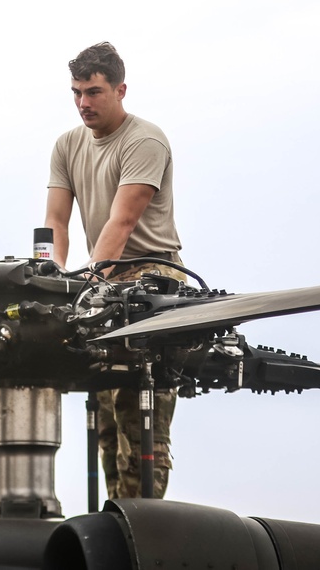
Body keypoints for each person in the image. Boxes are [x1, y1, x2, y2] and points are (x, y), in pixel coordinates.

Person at [44, 42, 187, 500]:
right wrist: (51, 278)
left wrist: (87, 283)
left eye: (94, 92)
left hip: (151, 279)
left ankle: (145, 527)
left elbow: (121, 223)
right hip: (100, 282)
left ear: (120, 90)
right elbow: (55, 223)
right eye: (76, 92)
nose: (83, 102)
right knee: (105, 422)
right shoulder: (67, 144)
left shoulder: (144, 140)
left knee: (138, 420)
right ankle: (112, 522)